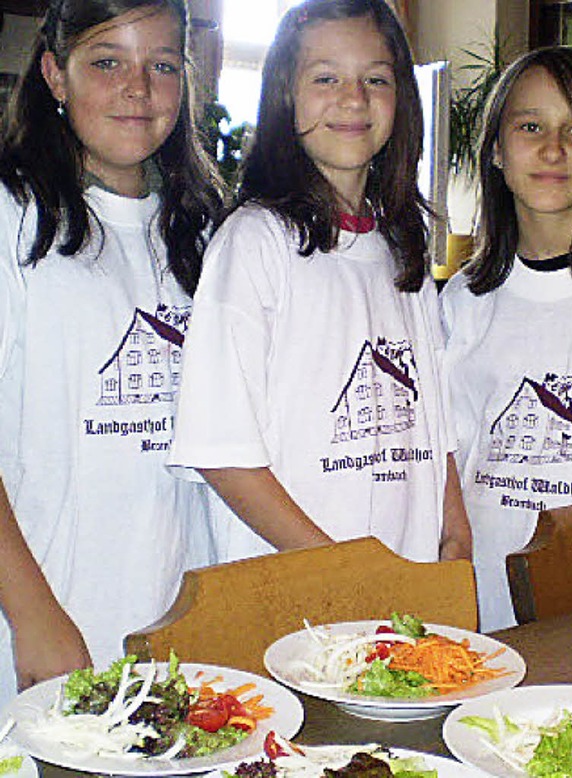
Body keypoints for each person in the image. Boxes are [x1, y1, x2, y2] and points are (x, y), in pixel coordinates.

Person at [168, 0, 471, 566]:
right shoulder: (254, 242)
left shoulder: (401, 249)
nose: (353, 99)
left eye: (375, 79)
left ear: (402, 98)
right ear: (285, 95)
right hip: (296, 599)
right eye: (325, 77)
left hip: (403, 592)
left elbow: (433, 425)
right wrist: (340, 568)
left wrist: (454, 530)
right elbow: (222, 454)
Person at [0, 0, 224, 707]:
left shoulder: (202, 227)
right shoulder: (12, 217)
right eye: (107, 62)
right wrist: (33, 613)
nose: (139, 88)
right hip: (40, 621)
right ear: (54, 75)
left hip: (170, 624)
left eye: (162, 65)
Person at [440, 46, 572, 632]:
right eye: (531, 126)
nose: (552, 150)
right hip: (483, 601)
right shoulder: (463, 299)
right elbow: (447, 456)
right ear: (497, 150)